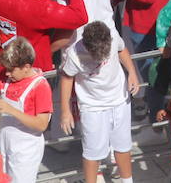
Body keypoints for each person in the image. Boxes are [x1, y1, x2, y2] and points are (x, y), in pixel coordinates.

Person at [58, 20, 138, 183]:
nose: (101, 60)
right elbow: (66, 78)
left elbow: (122, 50)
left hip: (120, 100)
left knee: (123, 147)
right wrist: (65, 111)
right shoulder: (74, 53)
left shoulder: (114, 36)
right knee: (92, 153)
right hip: (92, 107)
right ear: (87, 47)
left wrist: (132, 72)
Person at [0, 37, 52, 183]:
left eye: (11, 70)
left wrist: (12, 110)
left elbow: (42, 125)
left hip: (26, 148)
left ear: (26, 67)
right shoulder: (6, 78)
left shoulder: (40, 86)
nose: (8, 73)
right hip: (3, 141)